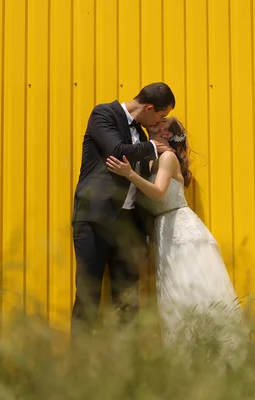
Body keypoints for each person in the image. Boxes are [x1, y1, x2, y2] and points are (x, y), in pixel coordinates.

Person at [106, 116, 248, 368]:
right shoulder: (151, 160)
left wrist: (128, 174)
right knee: (176, 297)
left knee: (193, 293)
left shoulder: (168, 158)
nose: (154, 127)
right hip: (165, 231)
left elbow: (159, 192)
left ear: (168, 136)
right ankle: (191, 363)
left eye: (160, 127)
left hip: (181, 231)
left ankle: (215, 360)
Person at [70, 82, 175, 337]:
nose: (159, 124)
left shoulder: (140, 132)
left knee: (128, 300)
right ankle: (79, 369)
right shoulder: (104, 114)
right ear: (149, 108)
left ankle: (125, 367)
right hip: (94, 220)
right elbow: (117, 151)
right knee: (89, 295)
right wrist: (153, 148)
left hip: (128, 226)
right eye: (160, 117)